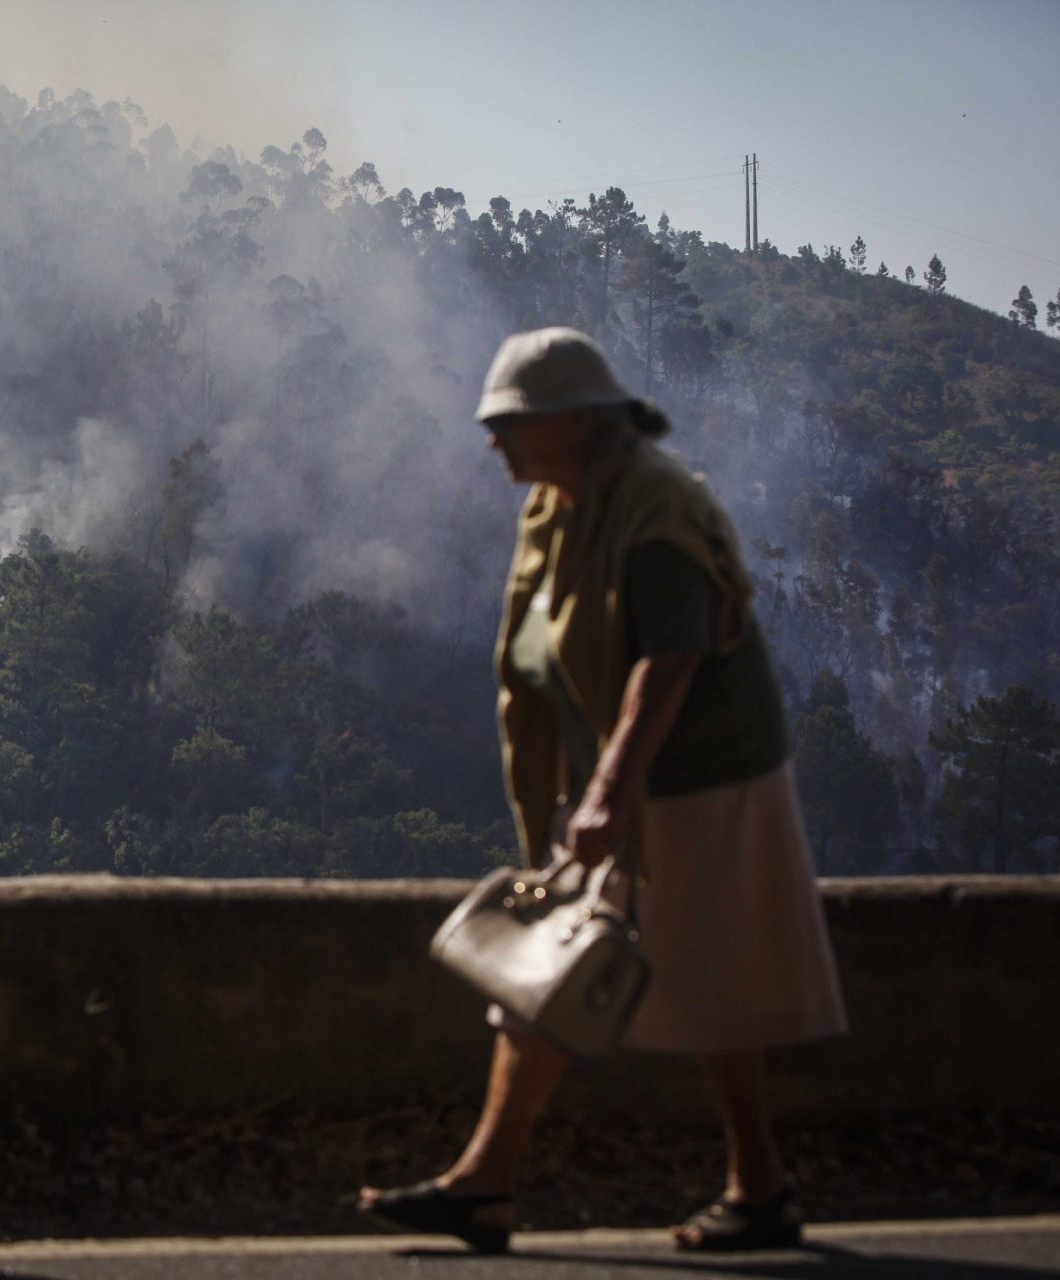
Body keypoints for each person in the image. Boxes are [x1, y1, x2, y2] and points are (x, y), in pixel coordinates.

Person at [359, 327, 847, 1253]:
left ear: (576, 423)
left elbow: (670, 660)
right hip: (622, 785)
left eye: (512, 423)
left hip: (698, 780)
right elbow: (551, 655)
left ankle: (511, 1186)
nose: (494, 440)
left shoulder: (655, 510)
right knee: (573, 971)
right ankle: (505, 1185)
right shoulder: (561, 506)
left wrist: (607, 794)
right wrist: (583, 790)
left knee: (660, 978)